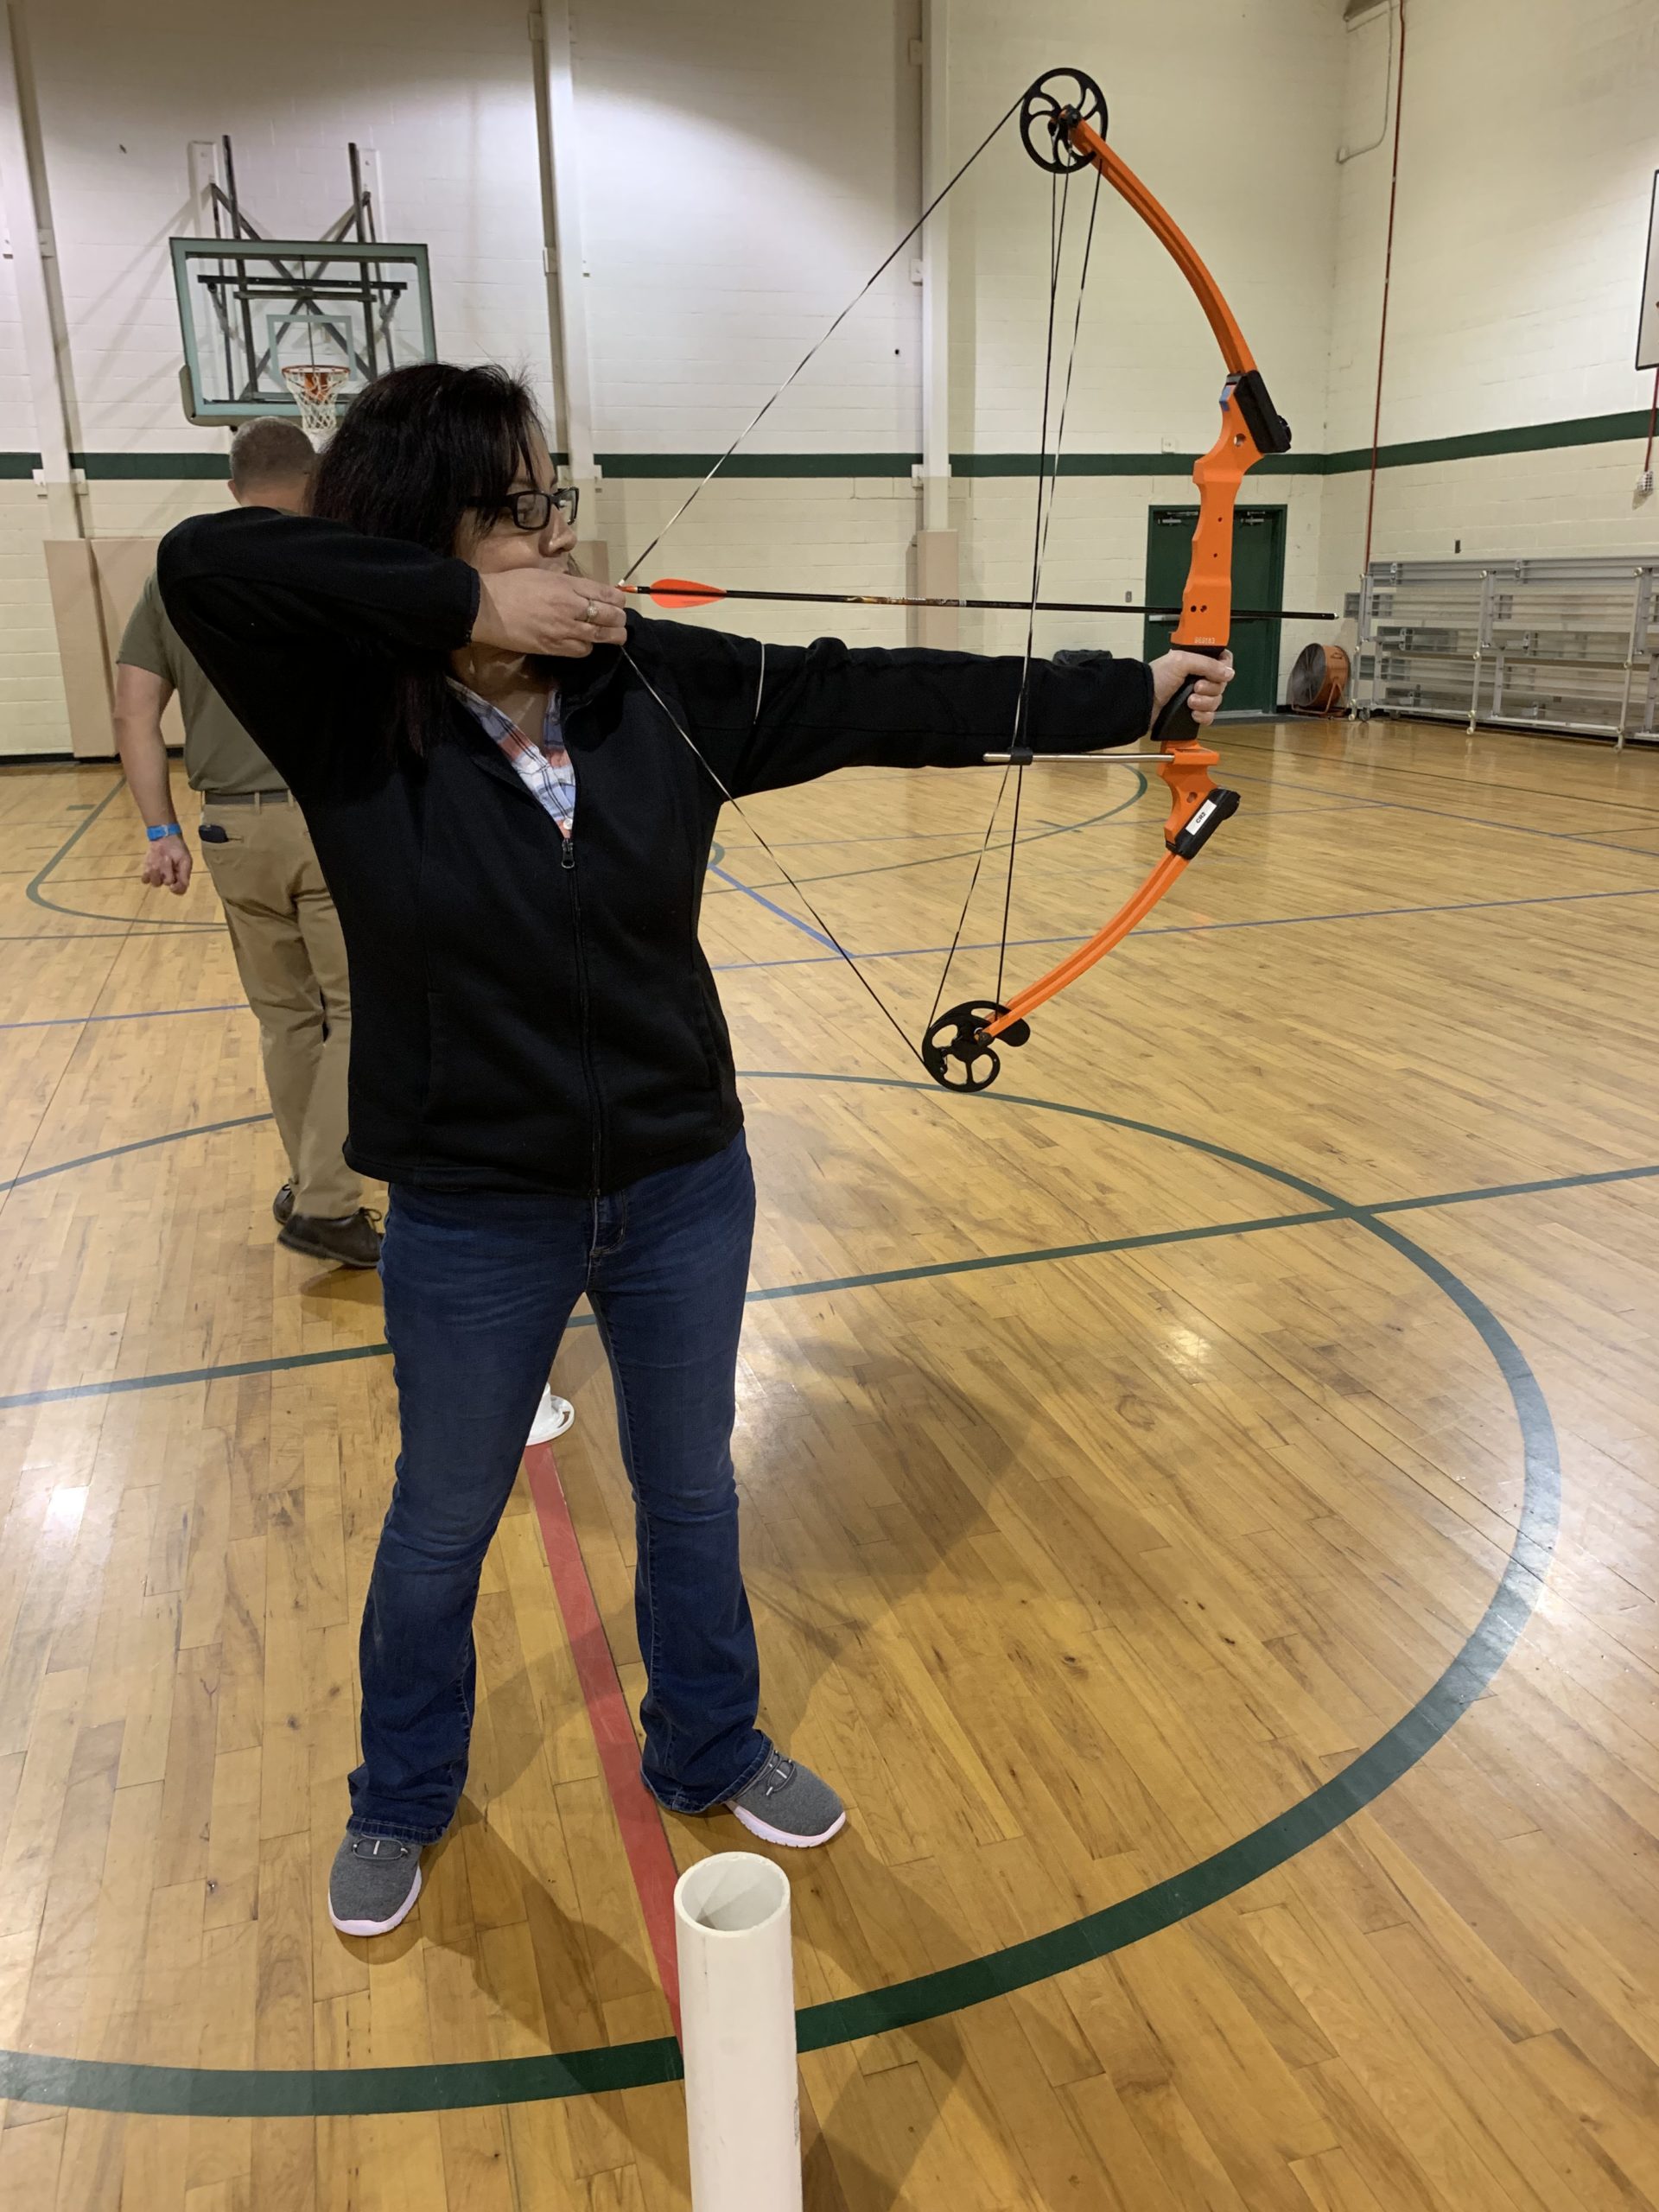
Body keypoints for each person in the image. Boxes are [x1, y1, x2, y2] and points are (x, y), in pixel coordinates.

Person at [156, 363, 1234, 1939]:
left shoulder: (645, 680)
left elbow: (871, 691)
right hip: (471, 1200)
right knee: (444, 1514)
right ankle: (401, 1792)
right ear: (432, 519)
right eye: (520, 500)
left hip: (677, 1178)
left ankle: (710, 1742)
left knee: (692, 1493)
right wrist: (474, 605)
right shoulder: (343, 700)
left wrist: (1119, 692)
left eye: (551, 497)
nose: (557, 525)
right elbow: (204, 560)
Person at [114, 418, 382, 1268]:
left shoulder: (176, 574)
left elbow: (132, 712)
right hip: (329, 815)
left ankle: (310, 1183)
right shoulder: (338, 553)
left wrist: (161, 829)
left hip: (230, 825)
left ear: (232, 487)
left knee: (285, 1018)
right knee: (359, 1012)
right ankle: (329, 1201)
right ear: (315, 480)